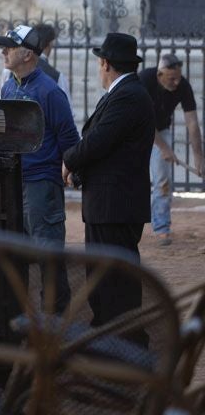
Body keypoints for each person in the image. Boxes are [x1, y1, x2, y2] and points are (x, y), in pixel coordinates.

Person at [62, 33, 155, 337]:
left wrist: (69, 161)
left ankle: (126, 347)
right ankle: (109, 342)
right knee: (104, 281)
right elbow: (109, 148)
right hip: (107, 204)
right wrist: (80, 172)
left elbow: (99, 141)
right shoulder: (125, 93)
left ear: (105, 63)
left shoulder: (129, 95)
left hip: (115, 206)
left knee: (115, 285)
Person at [0, 24, 79, 312]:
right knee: (17, 254)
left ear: (28, 54)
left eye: (10, 47)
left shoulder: (50, 92)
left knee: (48, 257)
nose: (4, 52)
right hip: (15, 182)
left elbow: (69, 139)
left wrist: (70, 170)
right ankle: (25, 316)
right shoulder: (9, 86)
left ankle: (56, 319)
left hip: (41, 183)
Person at [139, 53, 204, 246]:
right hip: (134, 130)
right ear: (160, 74)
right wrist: (164, 148)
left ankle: (161, 227)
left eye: (178, 77)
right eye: (171, 78)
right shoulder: (145, 80)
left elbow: (192, 123)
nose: (176, 82)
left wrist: (198, 157)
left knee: (163, 180)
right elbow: (143, 121)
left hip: (161, 129)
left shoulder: (183, 85)